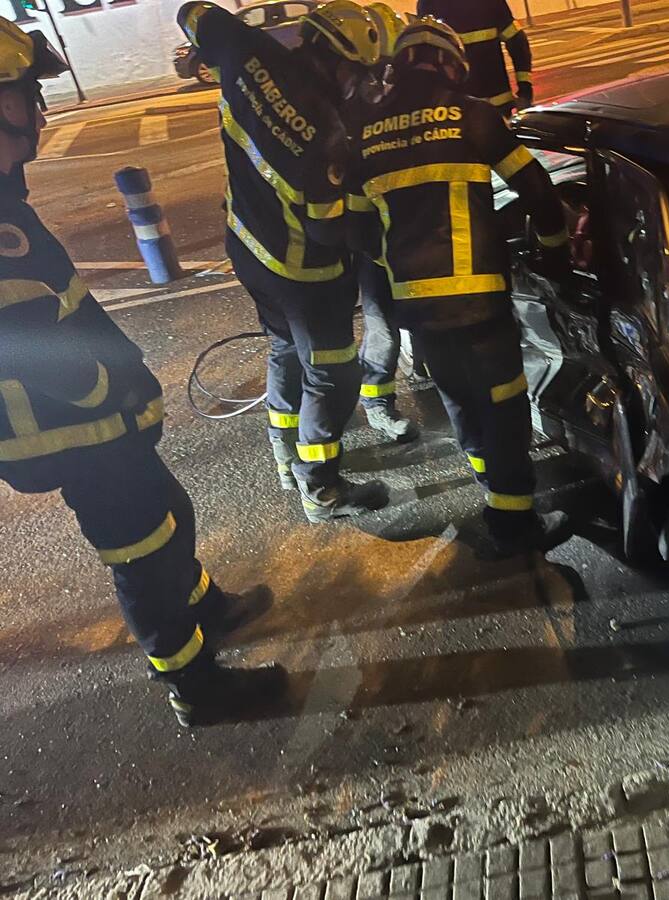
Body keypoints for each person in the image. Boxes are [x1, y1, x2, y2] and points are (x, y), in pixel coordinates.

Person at [0, 19, 283, 727]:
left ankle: (205, 607)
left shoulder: (7, 203)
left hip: (92, 424)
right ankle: (195, 686)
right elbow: (24, 341)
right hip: (70, 430)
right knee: (140, 554)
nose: (37, 112)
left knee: (168, 517)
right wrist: (114, 393)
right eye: (25, 94)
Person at [346, 16, 571, 556]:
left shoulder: (366, 132)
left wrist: (400, 269)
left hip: (415, 307)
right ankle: (514, 522)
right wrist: (555, 250)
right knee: (505, 402)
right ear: (450, 63)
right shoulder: (473, 116)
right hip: (477, 300)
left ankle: (489, 483)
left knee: (459, 396)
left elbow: (357, 229)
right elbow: (538, 189)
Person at [178, 0, 390, 523]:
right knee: (333, 375)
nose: (360, 85)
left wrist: (204, 53)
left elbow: (193, 11)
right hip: (303, 272)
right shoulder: (324, 137)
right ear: (338, 61)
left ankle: (283, 456)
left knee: (283, 349)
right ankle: (321, 487)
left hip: (246, 248)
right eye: (359, 74)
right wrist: (374, 234)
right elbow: (326, 228)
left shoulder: (249, 51)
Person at [353, 2, 421, 442]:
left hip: (408, 230)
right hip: (370, 237)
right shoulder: (350, 100)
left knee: (410, 314)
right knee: (381, 327)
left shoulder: (401, 94)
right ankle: (377, 402)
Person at [415, 0, 534, 115]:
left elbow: (423, 60)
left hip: (453, 113)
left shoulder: (429, 4)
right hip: (495, 108)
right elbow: (517, 42)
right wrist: (525, 91)